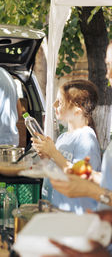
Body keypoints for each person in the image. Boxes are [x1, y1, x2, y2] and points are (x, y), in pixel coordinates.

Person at [32, 79, 101, 214]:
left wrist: (53, 153)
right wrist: (46, 157)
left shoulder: (86, 138)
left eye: (60, 102)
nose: (54, 105)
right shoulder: (64, 137)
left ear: (77, 110)